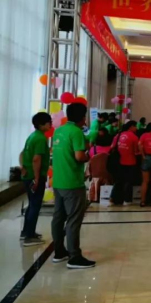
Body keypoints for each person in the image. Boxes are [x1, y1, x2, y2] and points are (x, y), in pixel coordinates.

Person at [51, 102, 95, 269]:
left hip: (58, 181)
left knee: (58, 217)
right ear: (82, 117)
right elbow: (79, 157)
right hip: (72, 182)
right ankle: (74, 257)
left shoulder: (59, 130)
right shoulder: (76, 132)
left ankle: (59, 251)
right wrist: (88, 156)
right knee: (74, 219)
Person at [19, 112, 52, 246]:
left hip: (28, 175)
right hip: (34, 176)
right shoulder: (40, 139)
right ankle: (29, 237)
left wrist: (22, 167)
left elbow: (22, 153)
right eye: (48, 122)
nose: (50, 124)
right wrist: (37, 178)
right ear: (41, 124)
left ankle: (27, 232)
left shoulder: (32, 136)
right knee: (35, 205)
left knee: (32, 204)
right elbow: (36, 159)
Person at [111, 120, 139, 206]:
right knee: (128, 181)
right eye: (135, 126)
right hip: (130, 162)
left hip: (119, 161)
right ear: (131, 127)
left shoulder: (118, 135)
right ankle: (127, 200)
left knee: (118, 181)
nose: (136, 128)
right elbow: (136, 151)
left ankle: (113, 199)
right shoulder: (134, 137)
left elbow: (112, 147)